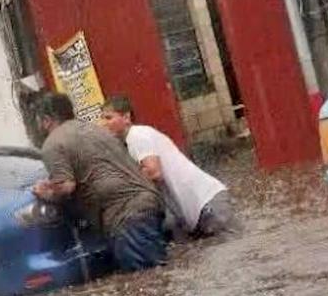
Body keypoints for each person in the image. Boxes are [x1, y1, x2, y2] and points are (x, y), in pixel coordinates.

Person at [32, 93, 168, 272]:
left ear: (46, 120)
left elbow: (66, 186)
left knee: (148, 281)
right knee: (158, 273)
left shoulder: (53, 143)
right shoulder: (96, 130)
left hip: (126, 216)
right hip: (149, 202)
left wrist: (45, 192)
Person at [101, 96, 240, 238]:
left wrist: (125, 182)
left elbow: (154, 172)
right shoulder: (135, 138)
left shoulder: (137, 136)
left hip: (208, 204)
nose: (104, 124)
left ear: (126, 117)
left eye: (108, 118)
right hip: (203, 207)